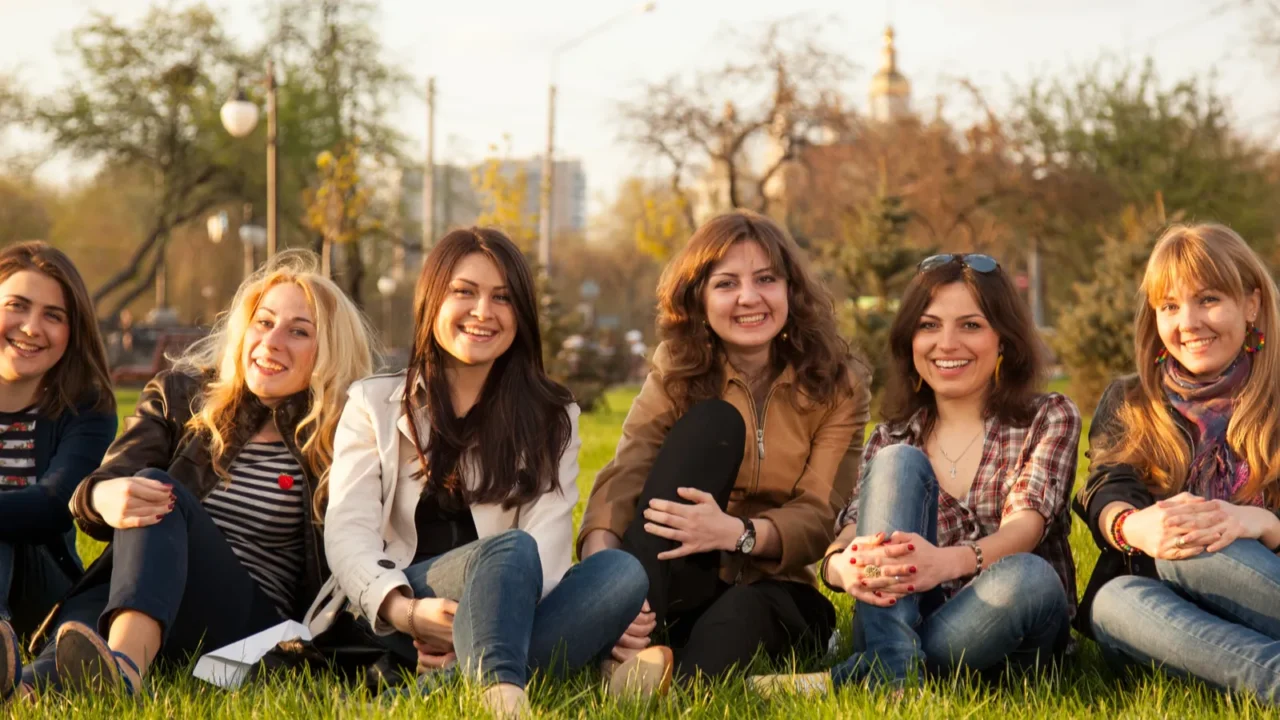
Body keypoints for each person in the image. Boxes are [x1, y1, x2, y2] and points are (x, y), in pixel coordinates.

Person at [307, 228, 647, 718]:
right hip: (397, 606)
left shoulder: (553, 419)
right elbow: (347, 533)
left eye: (502, 298)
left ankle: (443, 692)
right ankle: (510, 694)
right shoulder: (372, 402)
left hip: (506, 604)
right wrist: (409, 613)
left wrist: (482, 626)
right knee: (508, 551)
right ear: (432, 300)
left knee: (619, 573)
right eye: (464, 292)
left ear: (521, 315)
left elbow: (548, 552)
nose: (483, 312)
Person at [15, 251, 374, 699]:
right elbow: (103, 484)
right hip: (144, 596)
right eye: (263, 322)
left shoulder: (348, 436)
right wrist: (102, 495)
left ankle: (125, 669)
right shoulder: (179, 396)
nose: (273, 340)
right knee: (112, 575)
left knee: (160, 494)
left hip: (251, 631)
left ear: (331, 353)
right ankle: (26, 687)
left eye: (299, 331)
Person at [753, 252, 1080, 694]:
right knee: (899, 462)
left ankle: (869, 673)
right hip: (907, 621)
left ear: (1003, 339)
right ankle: (895, 674)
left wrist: (946, 563)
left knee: (1031, 577)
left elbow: (1026, 524)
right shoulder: (890, 438)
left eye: (970, 325)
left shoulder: (1048, 416)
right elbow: (850, 536)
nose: (946, 343)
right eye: (929, 325)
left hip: (1012, 625)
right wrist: (840, 569)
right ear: (910, 340)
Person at [577, 210, 871, 687]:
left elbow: (822, 513)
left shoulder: (839, 385)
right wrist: (608, 583)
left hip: (780, 591)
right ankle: (636, 645)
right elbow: (625, 475)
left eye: (765, 279)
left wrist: (739, 532)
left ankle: (667, 684)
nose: (748, 298)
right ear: (700, 298)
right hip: (680, 580)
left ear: (790, 291)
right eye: (726, 283)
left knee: (741, 614)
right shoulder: (677, 368)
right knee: (713, 424)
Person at [1078, 224, 1280, 704]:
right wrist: (1133, 527)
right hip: (1167, 620)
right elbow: (1106, 485)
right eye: (1170, 306)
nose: (1187, 322)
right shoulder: (1129, 400)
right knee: (1112, 602)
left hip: (1261, 588)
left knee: (1199, 549)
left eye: (1208, 299)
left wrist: (1263, 523)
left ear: (1251, 305)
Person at [0, 242, 116, 702]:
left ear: (73, 331)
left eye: (53, 315)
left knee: (6, 520)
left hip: (40, 592)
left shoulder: (86, 408)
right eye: (17, 306)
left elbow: (54, 505)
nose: (32, 328)